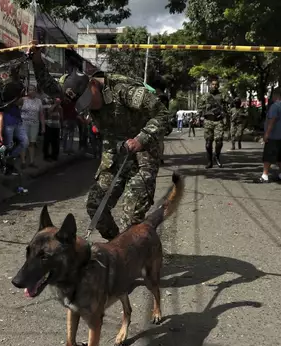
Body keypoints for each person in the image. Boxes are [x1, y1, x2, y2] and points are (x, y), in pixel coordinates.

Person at [29, 42, 170, 240]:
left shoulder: (124, 89)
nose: (89, 107)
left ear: (93, 84)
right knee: (95, 205)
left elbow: (163, 115)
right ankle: (117, 247)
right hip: (114, 151)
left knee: (132, 216)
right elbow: (52, 88)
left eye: (88, 100)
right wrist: (37, 61)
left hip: (143, 151)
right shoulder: (75, 86)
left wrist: (141, 138)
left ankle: (132, 252)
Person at [256, 88, 281, 183]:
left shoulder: (275, 106)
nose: (272, 97)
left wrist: (266, 134)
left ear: (276, 95)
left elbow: (272, 121)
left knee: (268, 156)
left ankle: (265, 175)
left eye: (272, 95)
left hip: (273, 135)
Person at [199, 78, 227, 168]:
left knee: (219, 142)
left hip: (218, 120)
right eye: (213, 84)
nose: (214, 86)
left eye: (216, 84)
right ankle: (209, 161)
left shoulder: (222, 95)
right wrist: (206, 106)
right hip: (208, 120)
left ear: (218, 86)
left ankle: (217, 157)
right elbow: (199, 107)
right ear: (210, 85)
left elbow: (230, 104)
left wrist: (224, 113)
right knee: (208, 143)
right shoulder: (206, 96)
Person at [20, 85, 45, 167]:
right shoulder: (23, 100)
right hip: (24, 123)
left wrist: (43, 126)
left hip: (35, 124)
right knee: (24, 142)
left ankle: (31, 161)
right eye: (30, 90)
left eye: (33, 90)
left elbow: (41, 114)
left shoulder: (39, 101)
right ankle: (23, 161)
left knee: (32, 143)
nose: (32, 91)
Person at [42, 96, 62, 161]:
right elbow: (48, 111)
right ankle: (46, 156)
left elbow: (60, 111)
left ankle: (55, 155)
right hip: (48, 124)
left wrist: (62, 122)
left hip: (56, 124)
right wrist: (55, 104)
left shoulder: (57, 99)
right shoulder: (45, 99)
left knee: (55, 141)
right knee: (47, 141)